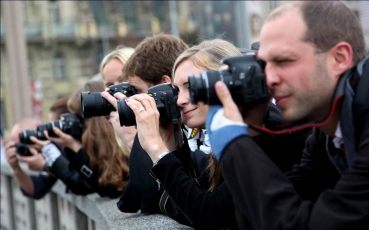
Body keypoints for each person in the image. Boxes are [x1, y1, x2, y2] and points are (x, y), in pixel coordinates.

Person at [111, 39, 311, 229]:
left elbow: (209, 215)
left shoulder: (267, 132)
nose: (180, 100)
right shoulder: (234, 130)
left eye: (191, 87)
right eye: (177, 91)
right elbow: (193, 200)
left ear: (226, 82)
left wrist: (157, 150)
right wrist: (174, 146)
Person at [206, 1, 369, 229]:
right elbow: (262, 216)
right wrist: (252, 129)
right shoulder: (327, 130)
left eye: (283, 61)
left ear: (339, 57)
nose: (269, 79)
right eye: (263, 65)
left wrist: (234, 143)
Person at [102, 33, 193, 214]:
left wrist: (134, 138)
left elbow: (155, 196)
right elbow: (130, 201)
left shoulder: (197, 131)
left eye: (135, 90)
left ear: (164, 85)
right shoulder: (175, 128)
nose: (130, 97)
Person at [31, 81, 130, 198]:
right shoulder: (95, 146)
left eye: (79, 117)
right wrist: (71, 145)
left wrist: (73, 146)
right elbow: (89, 186)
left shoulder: (124, 140)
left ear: (92, 118)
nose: (78, 123)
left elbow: (109, 189)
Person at [4, 96, 71, 199]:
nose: (25, 147)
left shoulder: (60, 148)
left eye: (24, 140)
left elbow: (79, 179)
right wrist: (15, 168)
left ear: (38, 126)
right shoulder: (47, 151)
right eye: (17, 145)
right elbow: (36, 189)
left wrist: (45, 166)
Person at [100, 46, 136, 150]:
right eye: (110, 85)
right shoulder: (115, 131)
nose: (116, 91)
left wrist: (132, 140)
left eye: (123, 80)